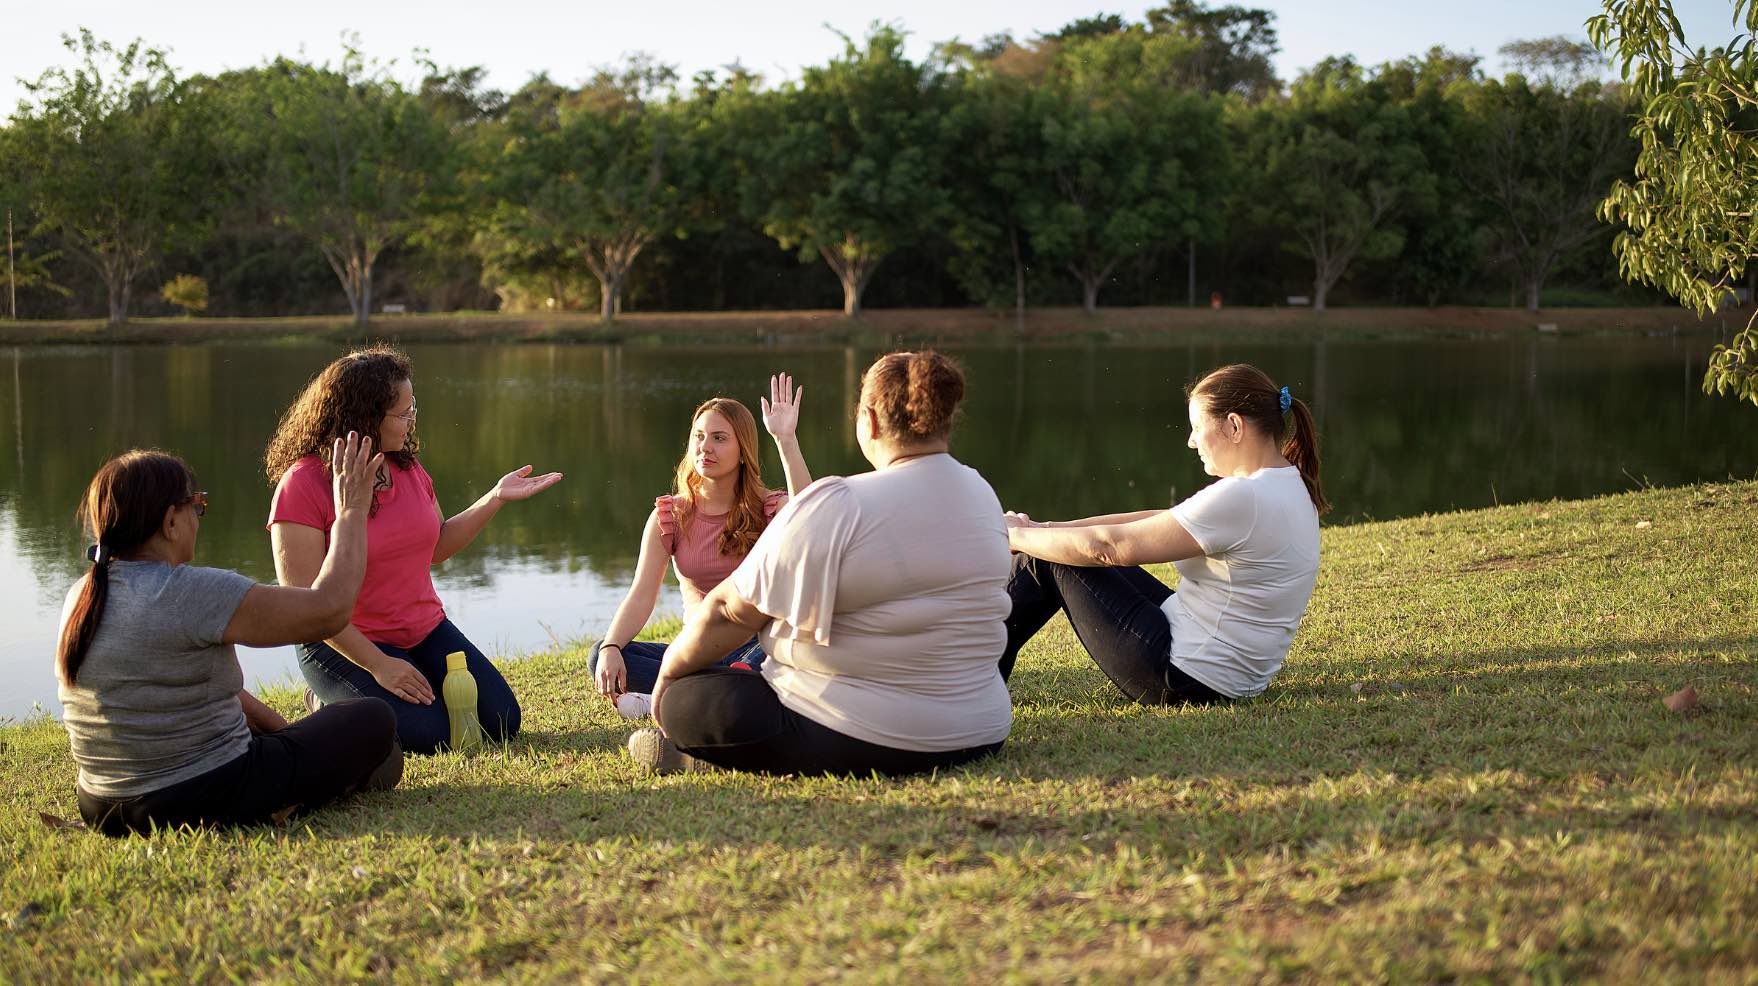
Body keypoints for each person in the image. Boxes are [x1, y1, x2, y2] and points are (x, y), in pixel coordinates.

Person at [631, 351, 1013, 777]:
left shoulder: (840, 501)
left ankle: (695, 753)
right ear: (944, 420)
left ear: (867, 421)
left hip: (860, 737)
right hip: (982, 732)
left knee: (687, 701)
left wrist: (670, 675)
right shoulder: (981, 493)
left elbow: (727, 612)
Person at [58, 435, 402, 837]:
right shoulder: (193, 591)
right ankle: (293, 801)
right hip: (194, 798)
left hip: (101, 807)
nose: (198, 518)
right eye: (197, 506)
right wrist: (351, 510)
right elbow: (330, 609)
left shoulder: (81, 596)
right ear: (170, 522)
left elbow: (199, 687)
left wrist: (288, 735)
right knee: (374, 719)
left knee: (347, 743)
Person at [265, 347, 562, 754]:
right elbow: (306, 608)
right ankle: (325, 701)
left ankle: (382, 690)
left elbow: (437, 546)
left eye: (413, 408)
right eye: (402, 413)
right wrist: (379, 665)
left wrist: (494, 498)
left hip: (422, 630)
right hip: (341, 642)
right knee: (432, 735)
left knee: (502, 720)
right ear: (365, 417)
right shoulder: (303, 485)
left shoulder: (405, 466)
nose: (411, 420)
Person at [999, 363, 1326, 704]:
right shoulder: (1287, 483)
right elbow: (1161, 520)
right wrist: (1042, 528)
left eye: (1197, 427)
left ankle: (972, 682)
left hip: (1186, 677)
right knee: (1055, 547)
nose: (1191, 441)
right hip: (1225, 672)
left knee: (1048, 560)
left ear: (1233, 426)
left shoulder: (1244, 497)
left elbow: (1109, 547)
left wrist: (1012, 536)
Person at [589, 375, 810, 718]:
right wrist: (612, 646)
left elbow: (811, 517)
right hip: (696, 650)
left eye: (720, 438)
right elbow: (641, 594)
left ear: (742, 452)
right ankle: (709, 692)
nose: (705, 447)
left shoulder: (770, 509)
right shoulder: (670, 515)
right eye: (699, 437)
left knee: (779, 651)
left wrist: (785, 439)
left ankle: (677, 697)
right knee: (601, 655)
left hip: (758, 647)